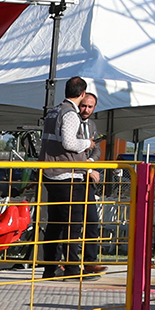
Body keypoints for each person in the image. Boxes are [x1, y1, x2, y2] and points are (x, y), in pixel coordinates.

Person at [41, 80, 100, 279]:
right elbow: (69, 142)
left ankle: (50, 268)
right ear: (82, 93)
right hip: (67, 174)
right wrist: (88, 143)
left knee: (55, 223)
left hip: (50, 172)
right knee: (72, 224)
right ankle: (73, 269)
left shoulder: (53, 111)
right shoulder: (70, 113)